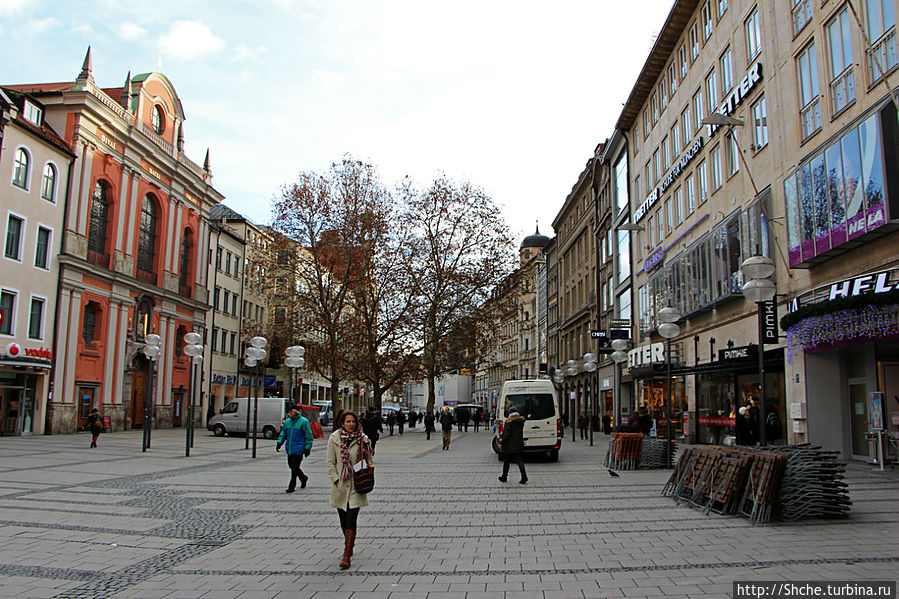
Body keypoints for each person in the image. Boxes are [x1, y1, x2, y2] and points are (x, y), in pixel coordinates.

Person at [327, 410, 374, 570]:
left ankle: (346, 555)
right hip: (341, 485)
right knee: (343, 519)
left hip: (356, 484)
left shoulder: (363, 439)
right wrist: (335, 479)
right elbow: (330, 462)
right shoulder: (334, 439)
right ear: (342, 423)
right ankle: (349, 544)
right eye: (348, 422)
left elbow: (369, 459)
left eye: (353, 422)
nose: (351, 424)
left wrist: (369, 466)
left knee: (351, 518)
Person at [276, 405, 314, 493]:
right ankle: (303, 477)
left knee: (294, 467)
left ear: (295, 412)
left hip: (299, 448)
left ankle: (292, 486)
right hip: (290, 448)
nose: (289, 414)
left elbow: (308, 435)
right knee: (292, 466)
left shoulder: (303, 422)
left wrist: (307, 448)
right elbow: (283, 433)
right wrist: (279, 442)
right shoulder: (287, 422)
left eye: (290, 412)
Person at [498, 409, 527, 484]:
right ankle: (524, 476)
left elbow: (506, 434)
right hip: (518, 444)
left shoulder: (509, 423)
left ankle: (504, 477)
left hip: (509, 446)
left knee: (506, 461)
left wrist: (502, 441)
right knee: (519, 461)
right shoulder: (520, 422)